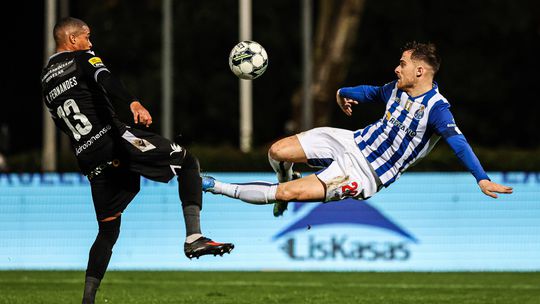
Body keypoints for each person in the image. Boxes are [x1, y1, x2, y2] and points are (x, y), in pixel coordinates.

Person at [41, 17, 234, 304]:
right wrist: (132, 102)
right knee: (187, 161)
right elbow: (105, 78)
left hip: (90, 159)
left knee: (108, 229)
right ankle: (194, 238)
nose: (90, 43)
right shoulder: (81, 58)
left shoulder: (46, 80)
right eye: (87, 37)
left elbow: (63, 125)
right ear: (72, 40)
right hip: (116, 141)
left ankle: (87, 300)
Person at [202, 41, 513, 216]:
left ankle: (215, 186)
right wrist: (343, 92)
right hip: (351, 142)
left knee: (289, 193)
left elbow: (459, 144)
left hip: (365, 173)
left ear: (420, 71)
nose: (397, 67)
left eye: (402, 63)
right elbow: (371, 92)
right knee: (277, 151)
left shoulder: (437, 109)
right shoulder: (396, 88)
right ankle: (285, 170)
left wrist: (482, 179)